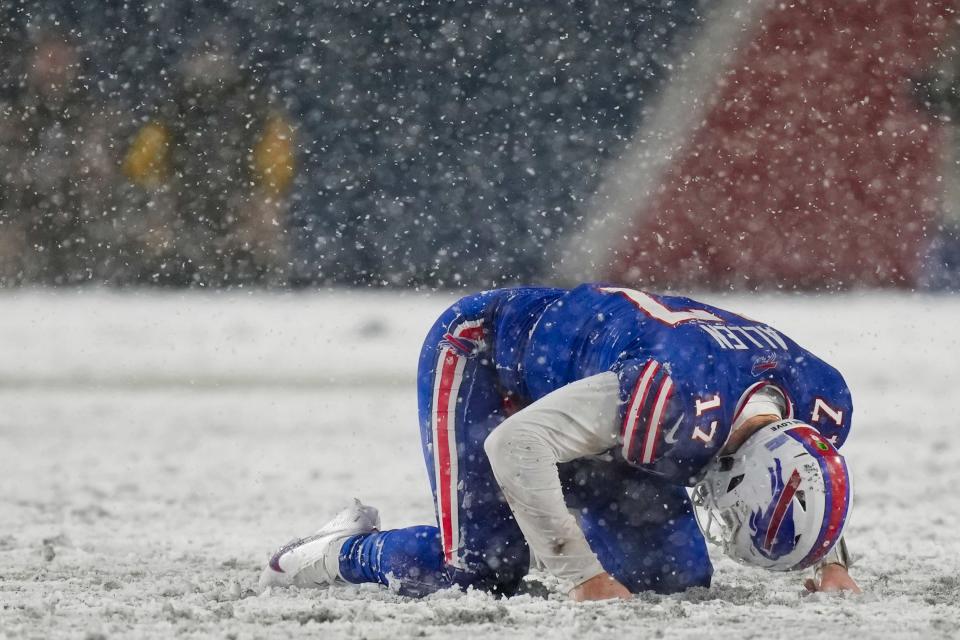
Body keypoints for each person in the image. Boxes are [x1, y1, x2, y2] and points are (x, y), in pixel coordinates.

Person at [260, 284, 860, 600]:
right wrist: (581, 577)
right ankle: (334, 552)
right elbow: (516, 444)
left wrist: (830, 560)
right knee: (479, 571)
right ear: (742, 476)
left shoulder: (818, 401)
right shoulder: (673, 398)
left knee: (669, 578)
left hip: (614, 389)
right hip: (493, 359)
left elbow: (808, 462)